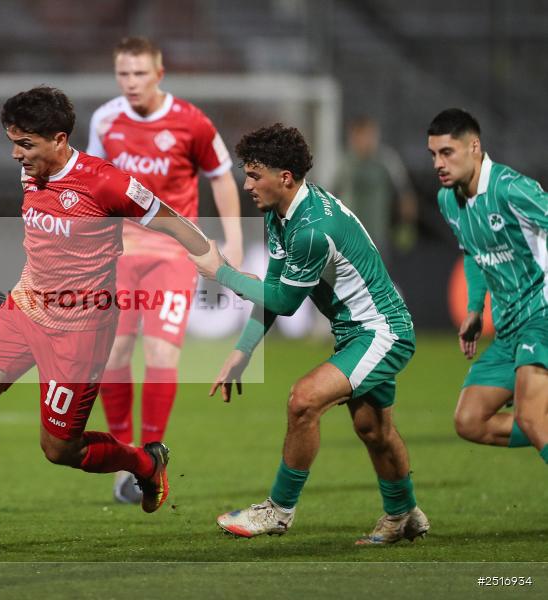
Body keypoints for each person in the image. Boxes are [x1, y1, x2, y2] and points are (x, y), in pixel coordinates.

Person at [0, 86, 211, 552]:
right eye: (12, 142)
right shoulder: (32, 171)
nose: (16, 154)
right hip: (24, 307)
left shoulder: (106, 182)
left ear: (59, 139)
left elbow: (170, 219)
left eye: (26, 144)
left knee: (59, 450)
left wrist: (217, 265)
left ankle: (144, 463)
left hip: (80, 332)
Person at [189, 123, 429, 545]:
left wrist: (221, 272)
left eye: (253, 174)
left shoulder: (313, 228)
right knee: (374, 429)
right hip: (357, 333)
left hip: (381, 332)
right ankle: (403, 516)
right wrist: (241, 352)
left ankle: (278, 511)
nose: (246, 184)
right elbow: (274, 289)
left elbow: (284, 303)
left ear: (284, 178)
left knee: (304, 400)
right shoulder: (282, 214)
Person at [87, 36, 243, 503]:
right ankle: (123, 458)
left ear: (159, 74)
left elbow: (220, 175)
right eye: (123, 74)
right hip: (119, 251)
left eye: (139, 73)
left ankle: (151, 456)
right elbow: (94, 176)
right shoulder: (105, 119)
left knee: (160, 352)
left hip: (174, 253)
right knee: (114, 355)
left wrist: (232, 239)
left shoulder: (191, 122)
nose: (131, 83)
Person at [427, 108, 548, 462]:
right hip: (509, 327)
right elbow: (472, 252)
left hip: (541, 316)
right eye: (433, 154)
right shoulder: (447, 199)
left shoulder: (511, 189)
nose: (438, 163)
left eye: (447, 152)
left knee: (531, 416)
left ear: (474, 147)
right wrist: (475, 309)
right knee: (470, 420)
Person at [331, 117, 419, 264]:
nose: (366, 140)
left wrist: (406, 219)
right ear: (353, 137)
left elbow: (405, 194)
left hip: (376, 237)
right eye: (361, 136)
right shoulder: (343, 163)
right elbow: (329, 195)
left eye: (370, 135)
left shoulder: (387, 160)